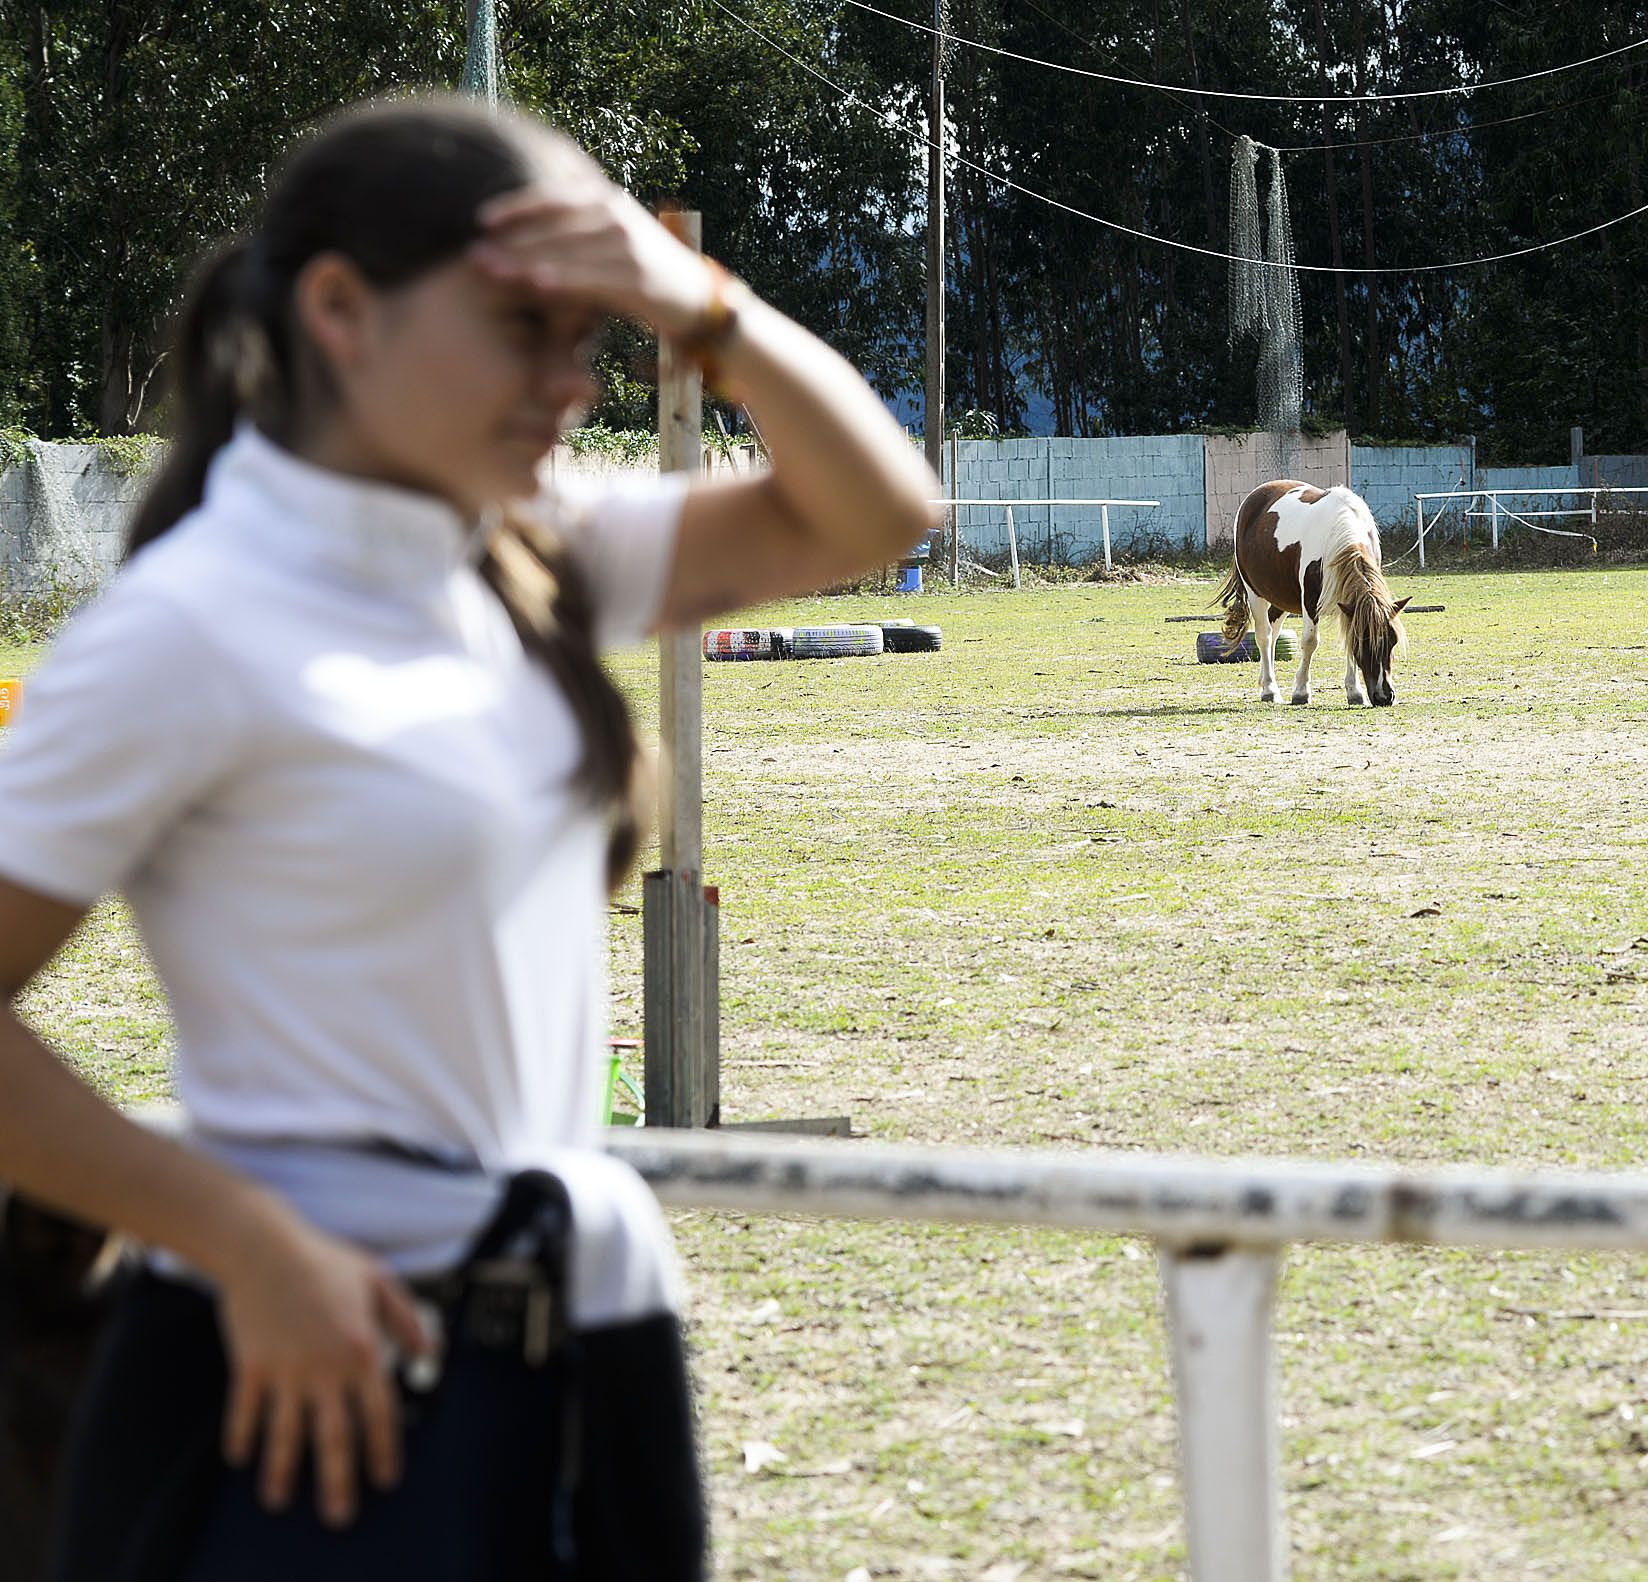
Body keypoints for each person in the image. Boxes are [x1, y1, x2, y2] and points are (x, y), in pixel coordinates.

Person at [0, 94, 942, 1578]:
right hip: (309, 1381)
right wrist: (243, 1241)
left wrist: (698, 303)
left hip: (565, 1334)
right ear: (338, 309)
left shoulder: (523, 549)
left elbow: (878, 510)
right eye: (527, 328)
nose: (575, 381)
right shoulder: (190, 626)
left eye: (592, 333)